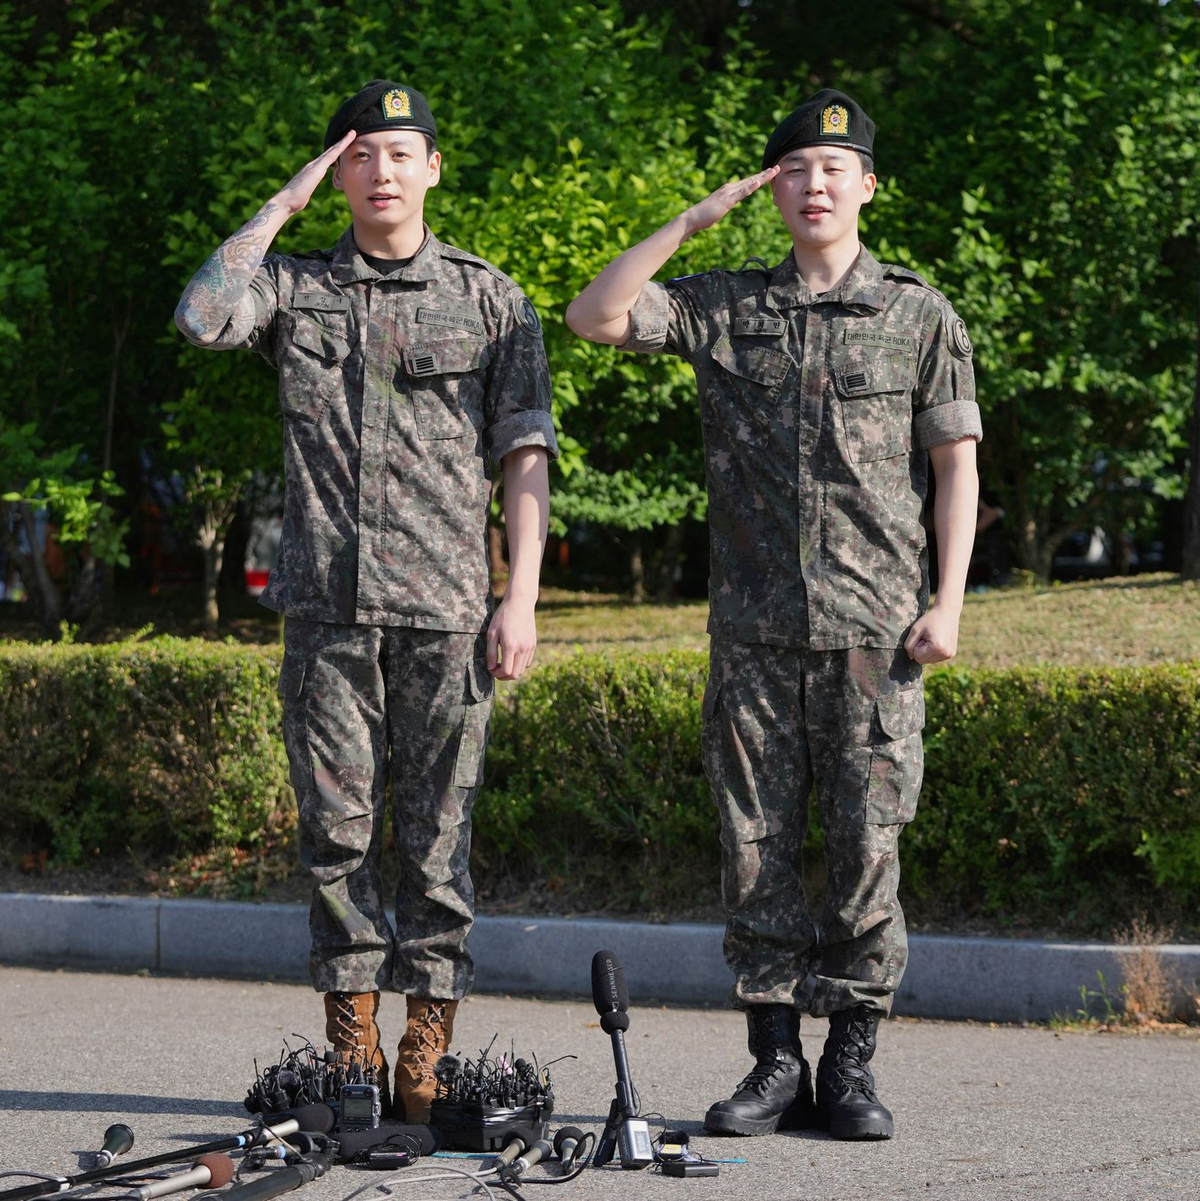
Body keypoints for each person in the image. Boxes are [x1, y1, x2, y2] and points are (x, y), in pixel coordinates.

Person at [566, 89, 979, 1141]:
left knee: (866, 852)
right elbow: (595, 314)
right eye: (794, 170)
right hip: (752, 638)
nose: (814, 185)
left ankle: (848, 1065)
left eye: (834, 169)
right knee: (753, 853)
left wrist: (950, 601)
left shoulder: (919, 313)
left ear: (868, 186)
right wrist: (691, 222)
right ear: (773, 188)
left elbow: (954, 462)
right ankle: (772, 1063)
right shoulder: (726, 305)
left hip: (874, 638)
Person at [175, 80, 557, 1123]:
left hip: (449, 615)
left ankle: (426, 1046)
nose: (381, 171)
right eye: (359, 155)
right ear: (338, 172)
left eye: (401, 152)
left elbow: (525, 457)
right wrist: (279, 207)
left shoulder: (493, 299)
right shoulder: (294, 289)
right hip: (328, 615)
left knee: (440, 839)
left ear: (434, 166)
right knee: (336, 837)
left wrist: (520, 598)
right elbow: (203, 314)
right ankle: (352, 1041)